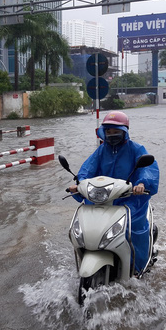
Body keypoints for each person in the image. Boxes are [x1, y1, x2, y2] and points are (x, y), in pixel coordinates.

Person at [68, 111, 160, 276]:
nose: (112, 135)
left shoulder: (136, 149)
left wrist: (141, 184)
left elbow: (148, 169)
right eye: (108, 131)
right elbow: (87, 169)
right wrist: (79, 184)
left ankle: (139, 266)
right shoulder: (102, 150)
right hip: (102, 198)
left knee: (132, 230)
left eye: (116, 131)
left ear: (125, 131)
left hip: (130, 199)